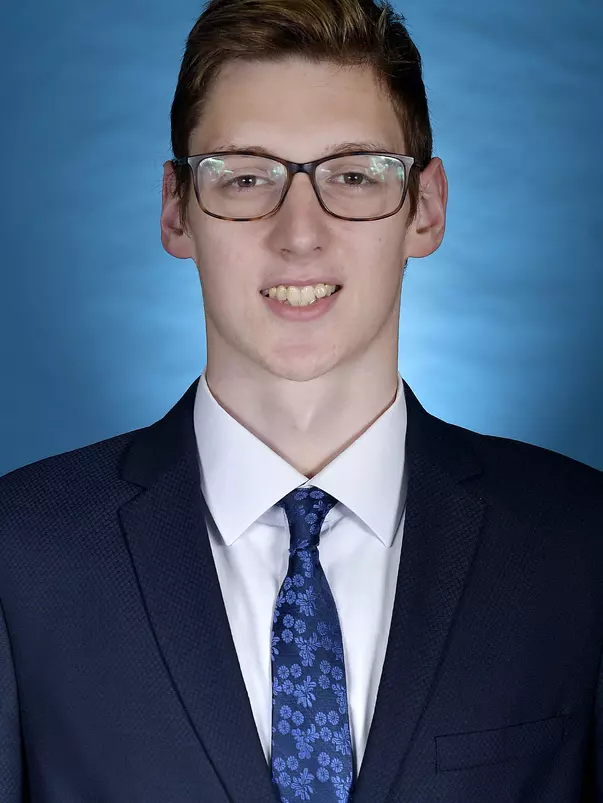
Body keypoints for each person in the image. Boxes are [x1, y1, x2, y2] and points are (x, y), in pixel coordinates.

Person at [1, 0, 602, 800]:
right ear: (176, 209)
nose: (299, 233)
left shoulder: (579, 545)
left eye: (353, 175)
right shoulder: (20, 554)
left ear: (425, 208)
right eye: (245, 177)